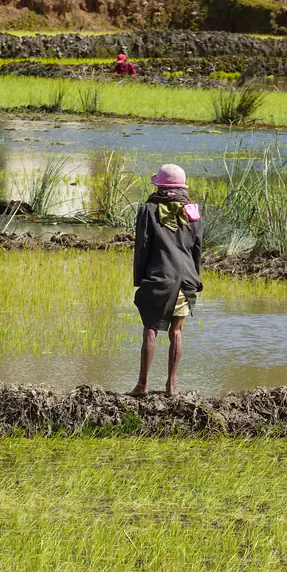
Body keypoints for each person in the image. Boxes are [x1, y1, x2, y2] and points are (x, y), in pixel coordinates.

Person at [131, 164, 203, 397]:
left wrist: (140, 279)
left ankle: (142, 386)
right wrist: (194, 277)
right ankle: (171, 387)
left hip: (158, 278)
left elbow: (142, 248)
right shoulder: (192, 212)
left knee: (150, 330)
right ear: (182, 188)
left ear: (159, 186)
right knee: (177, 332)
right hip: (186, 279)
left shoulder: (149, 210)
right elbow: (197, 251)